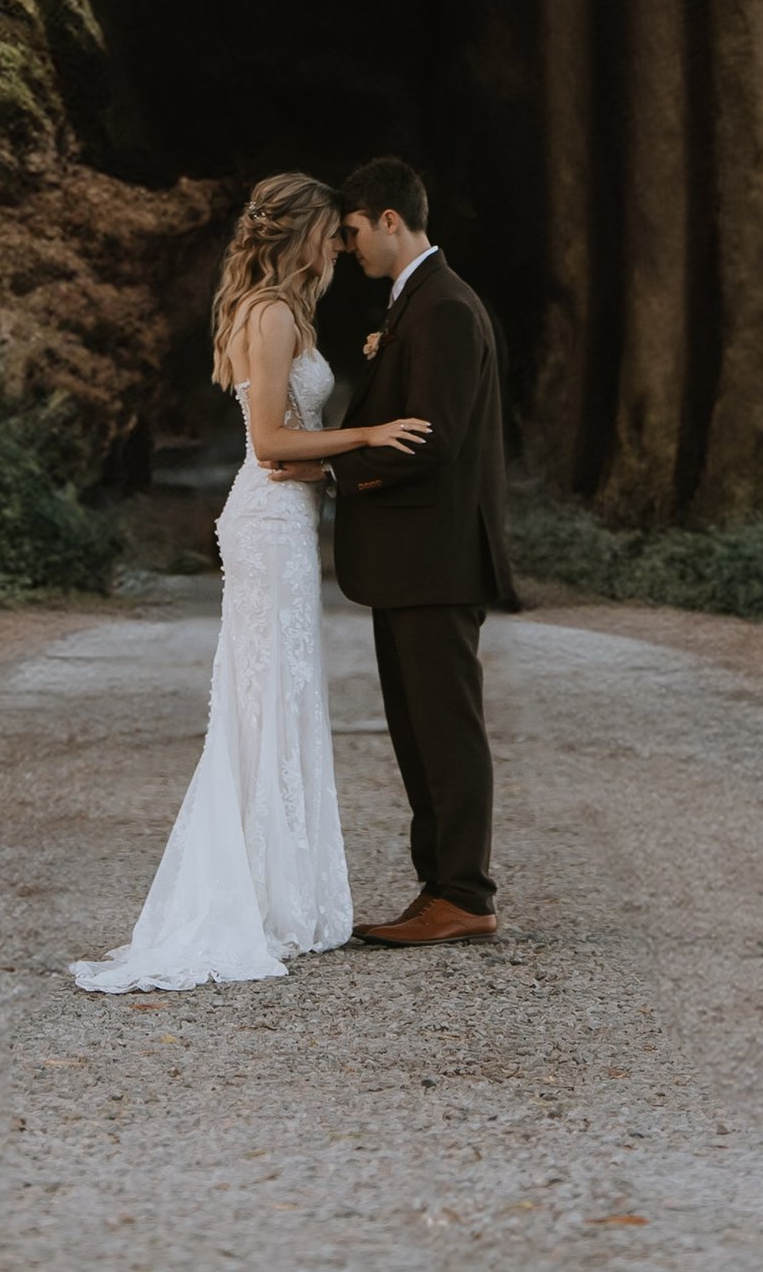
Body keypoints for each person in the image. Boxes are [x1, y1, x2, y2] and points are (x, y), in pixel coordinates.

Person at [70, 171, 429, 991]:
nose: (342, 245)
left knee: (284, 690)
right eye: (330, 233)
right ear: (300, 234)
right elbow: (270, 442)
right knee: (266, 693)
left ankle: (284, 891)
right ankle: (257, 898)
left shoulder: (283, 312)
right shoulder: (268, 314)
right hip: (268, 522)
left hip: (285, 520)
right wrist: (366, 432)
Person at [327, 155, 518, 946]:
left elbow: (432, 442)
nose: (349, 246)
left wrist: (332, 464)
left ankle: (465, 891)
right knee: (417, 728)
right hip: (412, 560)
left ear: (391, 220)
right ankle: (439, 883)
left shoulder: (442, 308)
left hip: (437, 557)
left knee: (445, 726)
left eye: (354, 230)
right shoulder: (420, 304)